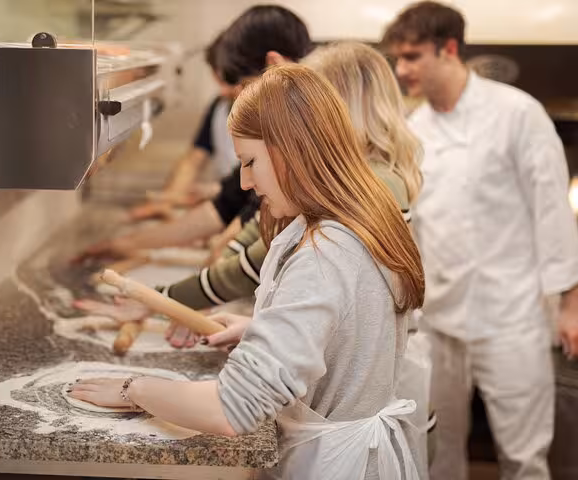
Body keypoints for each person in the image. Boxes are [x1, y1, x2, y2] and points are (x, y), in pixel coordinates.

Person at [68, 63, 426, 480]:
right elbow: (353, 325)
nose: (244, 182)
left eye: (251, 161)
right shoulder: (362, 214)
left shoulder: (324, 252)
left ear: (292, 150)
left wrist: (136, 390)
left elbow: (231, 409)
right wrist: (263, 327)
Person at [382, 3, 578, 479]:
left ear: (449, 49)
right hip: (440, 318)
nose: (401, 70)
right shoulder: (415, 131)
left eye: (411, 57)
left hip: (514, 315)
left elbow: (553, 211)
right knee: (438, 450)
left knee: (524, 454)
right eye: (397, 59)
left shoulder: (517, 114)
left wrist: (571, 304)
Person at [74, 5, 313, 264]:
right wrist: (129, 244)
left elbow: (240, 238)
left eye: (237, 84)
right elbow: (228, 203)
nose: (230, 94)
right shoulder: (281, 122)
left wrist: (224, 252)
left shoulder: (304, 137)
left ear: (273, 64)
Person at [128, 33, 240, 222]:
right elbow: (193, 160)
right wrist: (167, 200)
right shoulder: (218, 107)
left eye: (228, 81)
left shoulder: (273, 115)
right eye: (218, 81)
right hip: (227, 210)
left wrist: (216, 190)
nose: (223, 90)